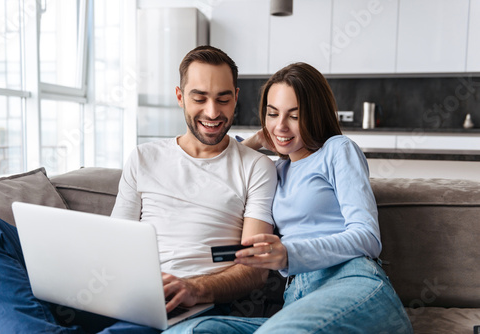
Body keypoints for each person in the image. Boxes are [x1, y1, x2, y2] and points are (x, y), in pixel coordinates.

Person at [0, 46, 277, 333]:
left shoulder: (256, 168)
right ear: (180, 96)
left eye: (223, 100)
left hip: (181, 302)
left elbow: (255, 269)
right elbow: (115, 240)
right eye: (199, 98)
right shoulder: (143, 157)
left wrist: (194, 288)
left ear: (236, 98)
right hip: (116, 287)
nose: (212, 112)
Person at [165, 62, 414, 333]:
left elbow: (368, 238)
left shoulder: (337, 150)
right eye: (272, 114)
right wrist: (259, 139)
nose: (281, 126)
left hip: (350, 280)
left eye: (294, 116)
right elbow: (224, 164)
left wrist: (288, 254)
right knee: (188, 331)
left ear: (316, 114)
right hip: (298, 298)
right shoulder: (274, 170)